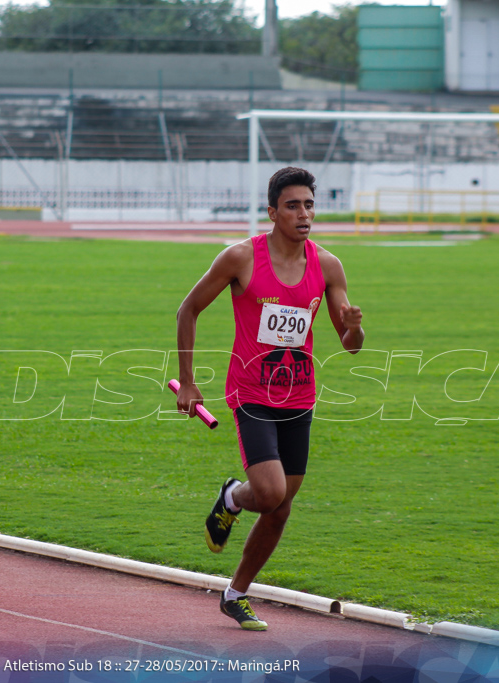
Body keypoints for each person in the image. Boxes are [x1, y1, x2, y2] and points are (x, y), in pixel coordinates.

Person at [175, 166, 364, 631]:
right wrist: (189, 380)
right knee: (271, 491)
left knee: (280, 508)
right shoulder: (240, 258)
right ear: (272, 212)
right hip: (250, 392)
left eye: (310, 205)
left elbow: (350, 344)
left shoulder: (329, 265)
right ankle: (234, 498)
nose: (304, 214)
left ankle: (235, 593)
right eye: (294, 205)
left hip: (299, 396)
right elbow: (189, 309)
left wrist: (355, 325)